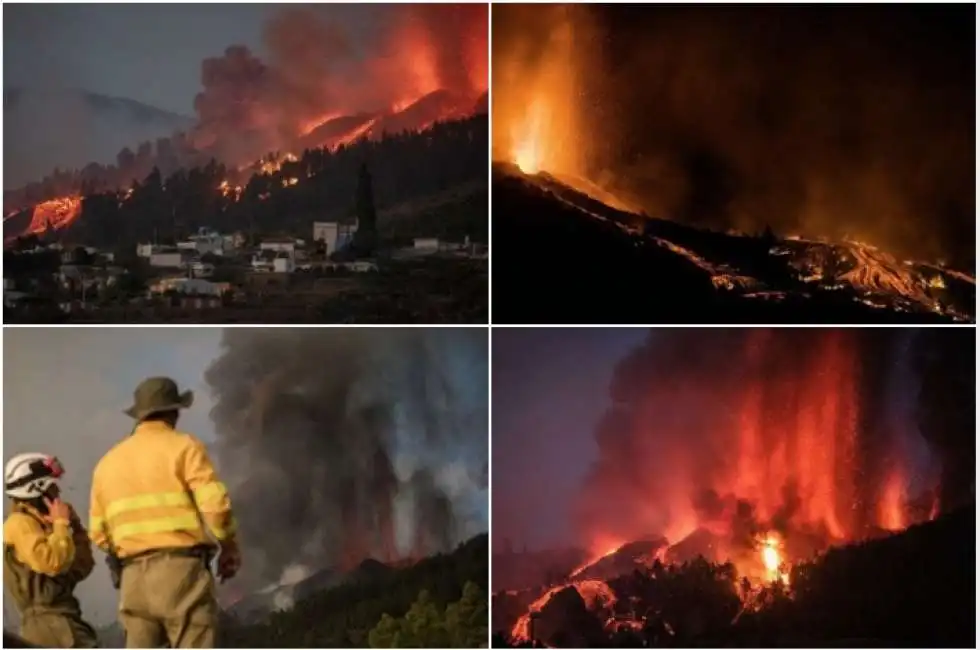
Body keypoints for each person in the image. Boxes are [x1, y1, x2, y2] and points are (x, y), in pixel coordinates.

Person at [89, 377, 242, 649]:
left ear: (139, 415)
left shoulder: (107, 463)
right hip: (181, 574)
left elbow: (98, 534)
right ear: (174, 411)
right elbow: (216, 507)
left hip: (132, 581)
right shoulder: (184, 447)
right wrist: (228, 546)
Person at [3, 452, 98, 648]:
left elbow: (81, 568)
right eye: (52, 487)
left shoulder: (45, 528)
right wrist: (61, 523)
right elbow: (51, 563)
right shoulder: (19, 524)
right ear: (38, 490)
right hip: (49, 625)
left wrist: (75, 527)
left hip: (65, 618)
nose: (58, 492)